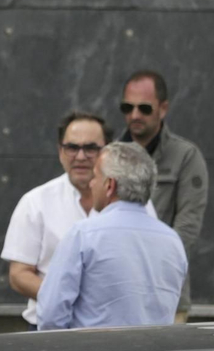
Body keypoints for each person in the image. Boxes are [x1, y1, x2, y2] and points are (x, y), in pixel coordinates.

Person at [3, 111, 152, 327]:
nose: (80, 156)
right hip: (50, 330)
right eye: (72, 147)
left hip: (119, 329)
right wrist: (71, 301)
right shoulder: (35, 202)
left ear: (107, 152)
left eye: (91, 148)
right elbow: (19, 275)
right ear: (60, 151)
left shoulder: (137, 202)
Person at [35, 141, 187, 330]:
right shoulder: (173, 241)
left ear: (110, 185)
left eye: (96, 176)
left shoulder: (83, 235)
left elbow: (51, 315)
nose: (91, 183)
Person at [119, 69, 208, 322]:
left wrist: (145, 264)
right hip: (115, 291)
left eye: (144, 108)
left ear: (163, 108)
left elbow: (187, 227)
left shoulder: (186, 156)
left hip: (166, 292)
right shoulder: (110, 155)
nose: (134, 115)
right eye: (127, 107)